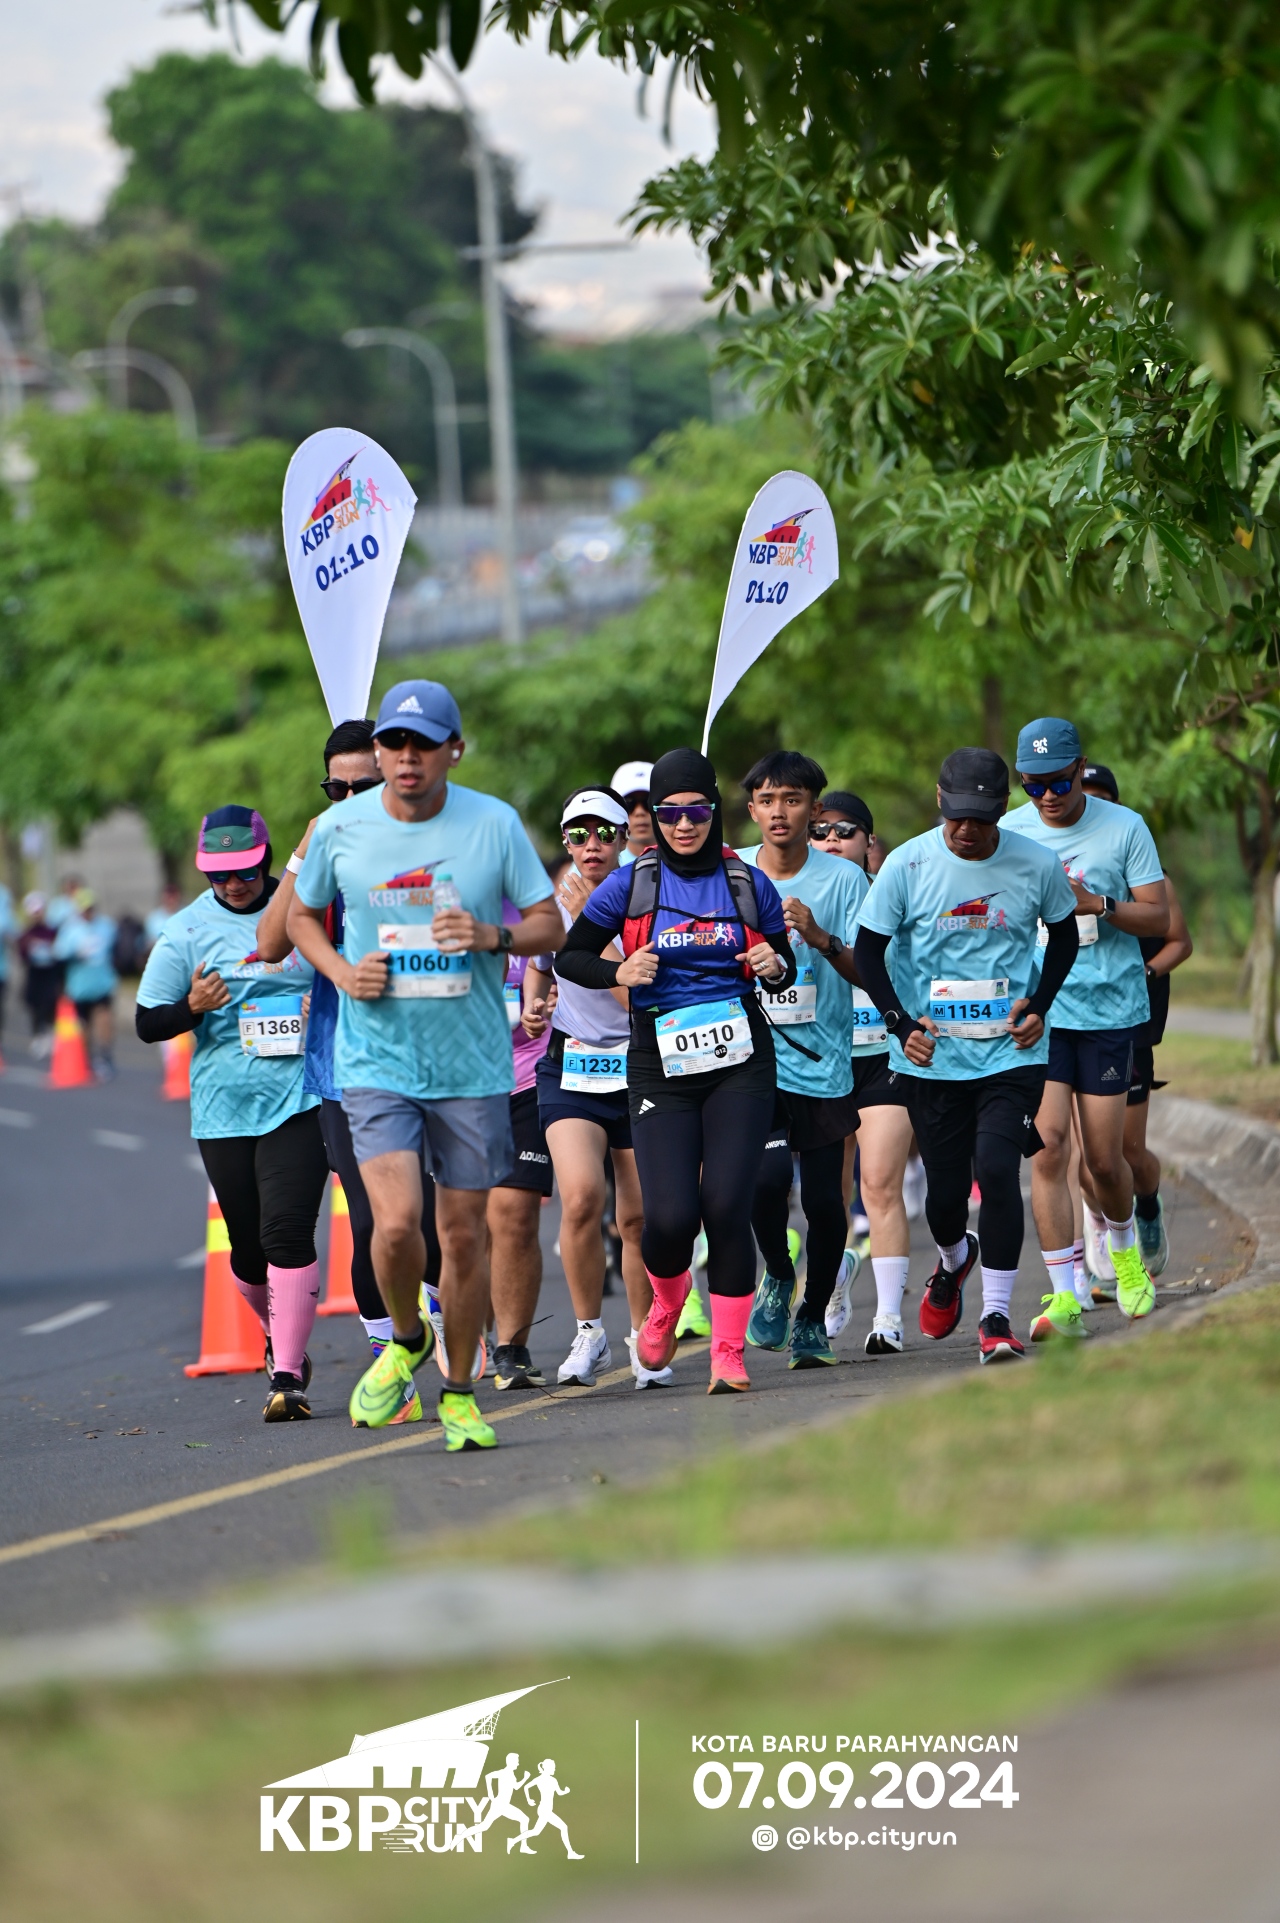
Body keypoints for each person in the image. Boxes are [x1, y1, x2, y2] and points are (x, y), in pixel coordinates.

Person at [288, 679, 562, 1453]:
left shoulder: (493, 824)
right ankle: (408, 1336)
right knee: (396, 1222)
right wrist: (343, 974)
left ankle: (461, 1393)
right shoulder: (340, 827)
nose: (408, 757)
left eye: (424, 743)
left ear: (454, 750)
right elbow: (300, 916)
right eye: (395, 743)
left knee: (463, 1235)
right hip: (376, 1059)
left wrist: (491, 935)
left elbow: (549, 923)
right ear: (379, 752)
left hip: (471, 1065)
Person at [555, 747, 795, 1393]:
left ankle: (727, 1353)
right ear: (654, 817)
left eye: (696, 811)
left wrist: (774, 965)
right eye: (668, 813)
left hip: (739, 1060)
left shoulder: (747, 883)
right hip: (660, 1061)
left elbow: (783, 966)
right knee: (668, 1218)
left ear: (714, 811)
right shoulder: (633, 883)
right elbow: (571, 957)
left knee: (726, 1204)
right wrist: (618, 970)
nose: (683, 824)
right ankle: (665, 1302)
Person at [854, 748, 1080, 1365]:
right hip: (933, 1058)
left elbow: (1064, 936)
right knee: (946, 1197)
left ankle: (995, 1316)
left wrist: (1040, 1004)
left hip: (1012, 1052)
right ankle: (954, 1257)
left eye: (980, 818)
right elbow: (868, 951)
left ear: (1004, 807)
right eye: (956, 816)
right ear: (939, 801)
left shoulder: (1036, 863)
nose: (966, 830)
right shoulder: (907, 864)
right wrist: (900, 1024)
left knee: (998, 1169)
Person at [255, 719, 438, 1425]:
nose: (353, 800)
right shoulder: (323, 856)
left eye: (367, 785)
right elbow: (271, 943)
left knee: (435, 1223)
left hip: (431, 1064)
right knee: (374, 1224)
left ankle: (447, 1318)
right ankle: (395, 1369)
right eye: (339, 790)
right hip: (345, 1068)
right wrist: (303, 852)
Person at [136, 805, 329, 1421]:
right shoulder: (188, 929)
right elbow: (147, 1022)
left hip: (302, 1096)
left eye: (245, 871)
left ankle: (287, 1376)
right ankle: (277, 1328)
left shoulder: (307, 907)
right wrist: (191, 1006)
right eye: (219, 875)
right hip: (224, 1108)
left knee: (287, 1233)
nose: (234, 884)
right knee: (247, 1253)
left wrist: (324, 1006)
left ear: (266, 860)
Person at [1003, 719, 1169, 1330]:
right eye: (1033, 785)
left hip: (1107, 1010)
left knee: (1103, 1160)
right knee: (1047, 1148)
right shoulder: (1010, 832)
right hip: (1040, 1011)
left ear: (1080, 769)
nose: (1047, 796)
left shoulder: (1125, 827)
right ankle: (1065, 1293)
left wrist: (1097, 903)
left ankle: (1125, 1255)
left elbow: (1159, 918)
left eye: (1059, 782)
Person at [525, 786, 662, 1390]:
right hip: (572, 1068)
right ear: (566, 841)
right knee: (580, 1197)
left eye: (605, 833)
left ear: (625, 838)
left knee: (637, 1217)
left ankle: (643, 1338)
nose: (592, 846)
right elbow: (538, 968)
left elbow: (634, 993)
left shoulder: (648, 898)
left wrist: (590, 925)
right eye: (578, 835)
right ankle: (589, 1333)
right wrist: (534, 1008)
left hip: (640, 1066)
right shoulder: (553, 903)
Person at [736, 752, 866, 1368]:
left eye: (792, 800)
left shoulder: (844, 879)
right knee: (763, 1182)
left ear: (814, 810)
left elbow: (870, 969)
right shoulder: (730, 872)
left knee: (823, 1200)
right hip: (749, 1062)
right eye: (767, 800)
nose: (779, 812)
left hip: (822, 1061)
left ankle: (813, 1317)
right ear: (752, 809)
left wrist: (818, 938)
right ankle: (779, 1272)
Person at [1078, 761, 1193, 1285]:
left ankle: (1146, 1203)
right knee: (1082, 1154)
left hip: (1129, 1020)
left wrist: (1144, 972)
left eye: (1101, 797)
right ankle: (1102, 1225)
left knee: (1127, 1150)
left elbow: (1179, 942)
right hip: (1071, 1017)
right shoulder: (1060, 866)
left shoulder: (1149, 872)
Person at [815, 788, 921, 1354]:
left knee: (878, 1182)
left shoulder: (893, 894)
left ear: (868, 841)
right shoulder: (793, 897)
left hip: (884, 1053)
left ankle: (888, 1317)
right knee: (826, 1195)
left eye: (845, 831)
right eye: (821, 832)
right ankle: (834, 1279)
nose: (831, 840)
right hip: (823, 1058)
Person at [53, 887, 119, 1078]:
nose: (88, 912)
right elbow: (58, 953)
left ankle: (105, 1056)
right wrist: (75, 952)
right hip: (79, 986)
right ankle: (86, 1059)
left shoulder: (105, 926)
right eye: (84, 909)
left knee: (104, 1018)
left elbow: (114, 948)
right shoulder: (70, 929)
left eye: (90, 908)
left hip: (102, 983)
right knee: (84, 1024)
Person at [18, 893, 62, 1058]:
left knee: (50, 1005)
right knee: (35, 1006)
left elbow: (59, 952)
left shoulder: (51, 931)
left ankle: (50, 1035)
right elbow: (22, 955)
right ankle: (38, 1035)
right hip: (34, 974)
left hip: (50, 974)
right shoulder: (26, 933)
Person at [610, 760, 655, 867]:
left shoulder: (684, 859)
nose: (639, 812)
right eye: (629, 803)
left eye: (648, 802)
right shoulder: (596, 863)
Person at [143, 882, 185, 958]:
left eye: (173, 896)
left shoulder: (186, 914)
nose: (171, 900)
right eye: (168, 896)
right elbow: (149, 941)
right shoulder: (154, 918)